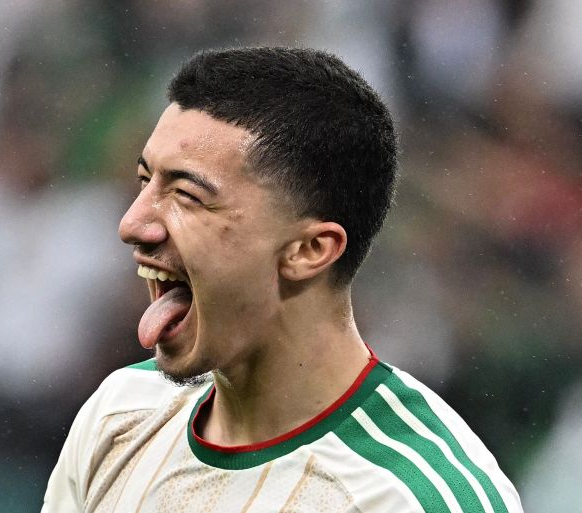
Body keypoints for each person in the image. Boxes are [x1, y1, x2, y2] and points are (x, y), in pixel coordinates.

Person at [41, 47, 523, 513]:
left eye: (187, 195)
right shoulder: (120, 414)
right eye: (146, 182)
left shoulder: (413, 498)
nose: (132, 224)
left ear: (309, 250)